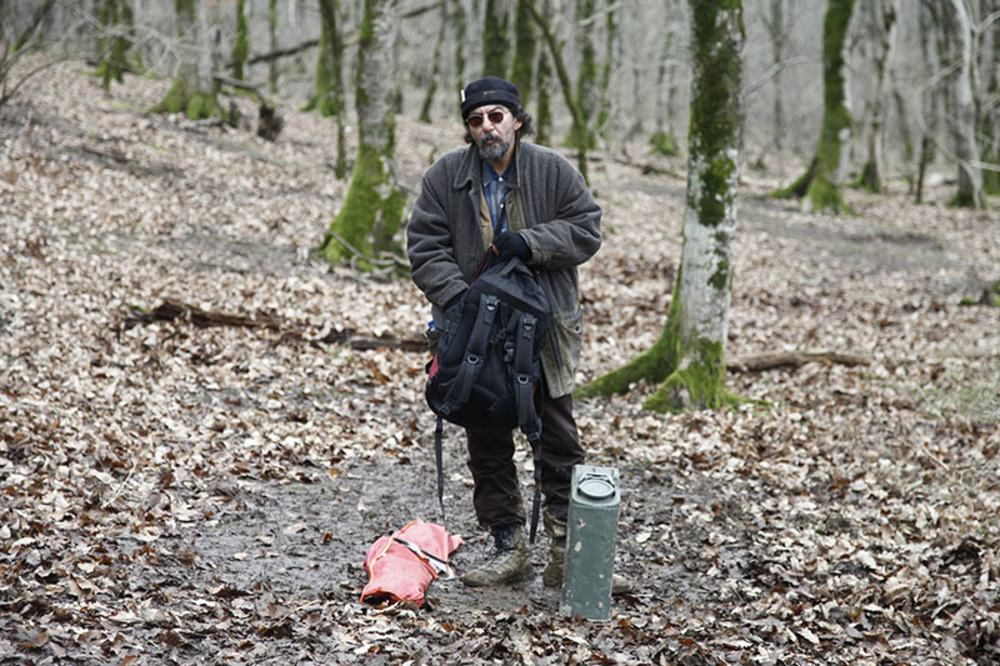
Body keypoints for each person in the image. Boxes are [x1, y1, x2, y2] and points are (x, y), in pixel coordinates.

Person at [406, 75, 610, 590]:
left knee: (558, 436)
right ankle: (508, 546)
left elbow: (587, 229)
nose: (486, 128)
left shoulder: (552, 170)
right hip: (471, 334)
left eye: (496, 116)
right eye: (475, 120)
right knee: (486, 434)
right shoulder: (445, 176)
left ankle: (571, 554)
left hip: (543, 329)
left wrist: (530, 243)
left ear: (517, 119)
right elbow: (424, 246)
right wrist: (459, 298)